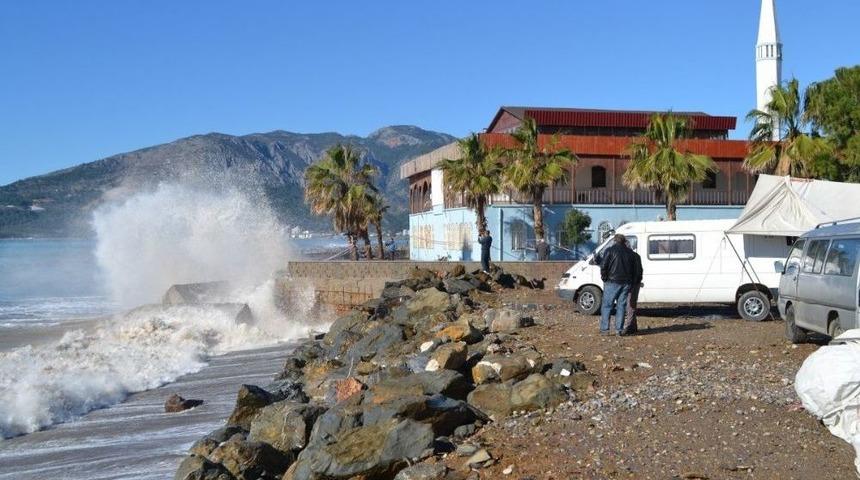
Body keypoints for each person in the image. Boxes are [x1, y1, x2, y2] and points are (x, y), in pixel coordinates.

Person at [599, 234, 636, 336]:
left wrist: (604, 278)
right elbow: (633, 269)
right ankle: (618, 330)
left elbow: (603, 266)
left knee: (607, 306)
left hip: (612, 281)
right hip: (626, 283)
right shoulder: (630, 253)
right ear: (624, 241)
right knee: (621, 307)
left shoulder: (609, 250)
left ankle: (605, 330)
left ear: (615, 241)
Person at [623, 244, 643, 335]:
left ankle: (629, 326)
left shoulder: (628, 257)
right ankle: (633, 326)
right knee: (632, 304)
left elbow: (630, 271)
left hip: (631, 283)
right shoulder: (636, 256)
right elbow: (640, 270)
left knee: (630, 305)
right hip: (636, 282)